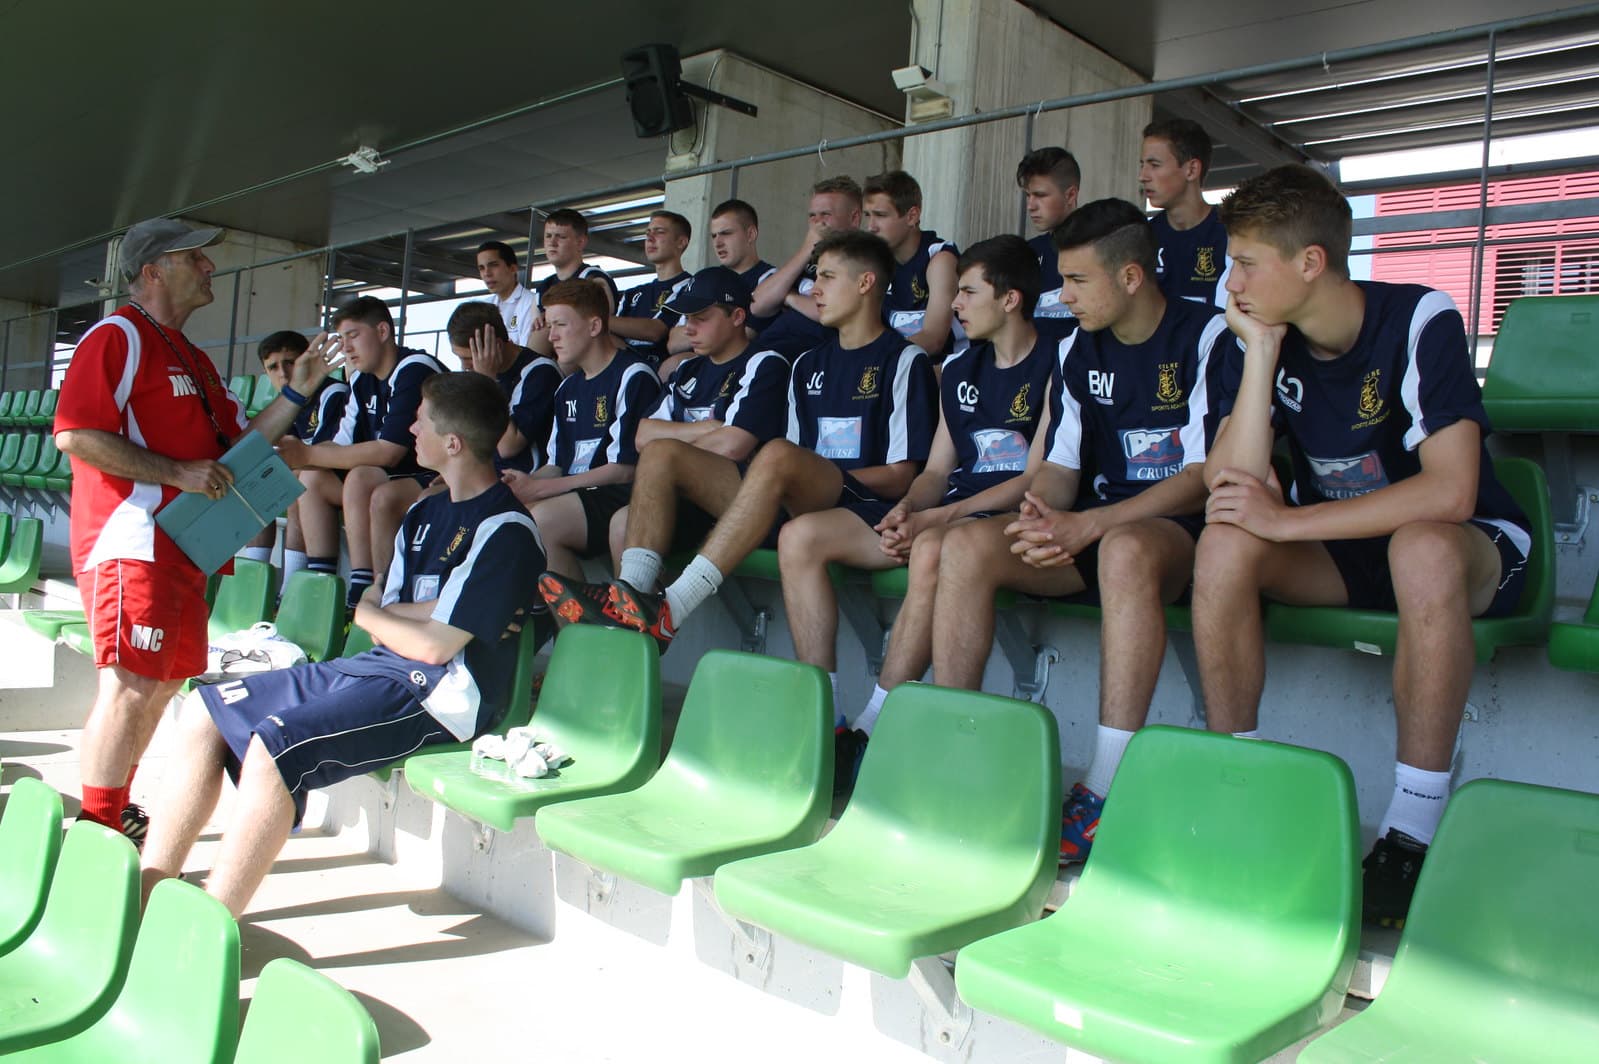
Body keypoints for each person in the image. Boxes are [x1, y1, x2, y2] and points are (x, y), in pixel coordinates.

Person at [1194, 164, 1531, 926]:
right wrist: (1259, 355)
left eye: (1245, 263)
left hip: (1466, 549)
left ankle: (1411, 830)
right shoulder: (1253, 334)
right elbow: (1228, 485)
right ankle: (1237, 784)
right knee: (1221, 545)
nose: (1230, 283)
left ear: (1310, 262)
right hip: (1346, 550)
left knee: (1420, 548)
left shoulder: (1417, 317)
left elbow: (1450, 492)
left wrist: (1286, 523)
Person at [139, 372, 550, 915]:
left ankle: (212, 922)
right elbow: (382, 609)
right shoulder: (423, 513)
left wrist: (389, 615)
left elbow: (432, 646)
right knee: (204, 711)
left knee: (274, 745)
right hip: (380, 664)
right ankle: (149, 889)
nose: (410, 430)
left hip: (442, 695)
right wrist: (417, 613)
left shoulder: (506, 528)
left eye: (420, 422)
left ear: (453, 443)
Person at [925, 200, 1231, 862]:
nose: (1062, 296)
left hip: (1176, 536)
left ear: (1130, 277)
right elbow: (1061, 469)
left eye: (1076, 281)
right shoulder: (1073, 348)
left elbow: (1205, 476)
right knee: (967, 544)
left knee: (1124, 549)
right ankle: (953, 753)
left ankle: (1108, 785)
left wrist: (1090, 523)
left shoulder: (1205, 335)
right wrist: (1040, 513)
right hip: (1090, 529)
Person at [54, 217, 337, 845]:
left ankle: (113, 812)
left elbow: (239, 446)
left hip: (187, 548)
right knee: (130, 686)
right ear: (153, 271)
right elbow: (76, 434)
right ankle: (95, 830)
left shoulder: (191, 356)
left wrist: (296, 394)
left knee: (158, 686)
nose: (210, 268)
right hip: (131, 541)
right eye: (195, 259)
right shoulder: (116, 336)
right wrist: (176, 471)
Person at [546, 231, 936, 656]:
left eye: (827, 277)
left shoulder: (904, 359)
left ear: (865, 283)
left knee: (777, 456)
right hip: (783, 500)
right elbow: (646, 437)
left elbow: (900, 476)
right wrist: (776, 481)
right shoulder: (807, 365)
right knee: (661, 453)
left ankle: (673, 607)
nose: (815, 290)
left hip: (853, 503)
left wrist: (796, 476)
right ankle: (631, 595)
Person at [786, 235, 1055, 787]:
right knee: (869, 538)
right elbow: (934, 473)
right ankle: (848, 724)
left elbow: (1035, 479)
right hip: (952, 519)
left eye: (967, 292)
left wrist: (938, 518)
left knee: (939, 542)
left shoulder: (1057, 361)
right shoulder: (958, 367)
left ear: (1010, 299)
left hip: (1012, 521)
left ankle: (887, 724)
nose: (953, 304)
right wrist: (908, 510)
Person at [537, 266, 790, 623]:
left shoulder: (764, 363)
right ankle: (633, 615)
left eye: (701, 318)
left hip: (744, 503)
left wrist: (675, 440)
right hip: (684, 500)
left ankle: (626, 605)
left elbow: (734, 444)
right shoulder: (687, 370)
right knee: (621, 521)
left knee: (663, 453)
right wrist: (708, 429)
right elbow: (642, 436)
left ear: (737, 317)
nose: (689, 328)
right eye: (687, 318)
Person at [277, 297, 445, 610]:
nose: (346, 348)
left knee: (361, 477)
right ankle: (320, 586)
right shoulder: (361, 380)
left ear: (382, 331)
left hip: (433, 477)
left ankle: (363, 587)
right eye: (342, 339)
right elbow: (338, 444)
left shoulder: (414, 368)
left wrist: (306, 454)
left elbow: (389, 452)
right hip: (385, 480)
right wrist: (299, 459)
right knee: (311, 478)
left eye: (353, 336)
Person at [502, 280, 661, 579]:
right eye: (550, 326)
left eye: (561, 325)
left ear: (594, 326)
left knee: (541, 520)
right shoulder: (567, 388)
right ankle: (570, 607)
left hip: (622, 496)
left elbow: (624, 471)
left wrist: (541, 489)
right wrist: (520, 484)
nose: (552, 336)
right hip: (579, 495)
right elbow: (557, 465)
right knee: (506, 514)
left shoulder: (633, 375)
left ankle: (585, 607)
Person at [240, 331, 350, 588]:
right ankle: (252, 583)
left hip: (341, 477)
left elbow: (328, 454)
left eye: (290, 362)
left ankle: (291, 586)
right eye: (273, 367)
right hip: (312, 477)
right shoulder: (286, 404)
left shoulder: (333, 393)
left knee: (293, 481)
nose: (283, 373)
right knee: (258, 478)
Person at [750, 176, 863, 359]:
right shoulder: (806, 257)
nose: (817, 222)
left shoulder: (863, 259)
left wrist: (789, 298)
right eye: (812, 216)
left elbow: (837, 312)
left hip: (809, 356)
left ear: (854, 218)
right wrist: (807, 248)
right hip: (765, 350)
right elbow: (757, 305)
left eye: (826, 214)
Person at [445, 301, 561, 473]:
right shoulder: (477, 377)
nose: (464, 367)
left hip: (522, 476)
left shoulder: (540, 373)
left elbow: (507, 447)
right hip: (482, 474)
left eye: (469, 358)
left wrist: (488, 383)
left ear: (496, 346)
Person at [662, 198, 776, 369]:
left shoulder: (772, 279)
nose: (718, 242)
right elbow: (673, 342)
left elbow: (743, 335)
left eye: (726, 233)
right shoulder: (705, 279)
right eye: (714, 236)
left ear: (751, 234)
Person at [862, 170, 959, 358]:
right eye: (867, 215)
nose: (870, 226)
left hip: (943, 369)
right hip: (897, 366)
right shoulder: (873, 261)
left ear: (912, 216)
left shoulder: (939, 258)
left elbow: (933, 339)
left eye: (880, 215)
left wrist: (878, 359)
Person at [1140, 118, 1230, 307]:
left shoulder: (1233, 234)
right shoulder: (1142, 238)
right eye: (1142, 165)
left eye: (1154, 165)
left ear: (1191, 170)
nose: (1143, 176)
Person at [527, 208, 620, 357]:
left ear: (580, 242)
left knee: (545, 331)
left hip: (590, 353)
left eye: (561, 237)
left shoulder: (594, 278)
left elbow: (597, 325)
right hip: (556, 356)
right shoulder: (543, 287)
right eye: (548, 236)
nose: (552, 243)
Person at [612, 210, 692, 366]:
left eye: (659, 232)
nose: (650, 238)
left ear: (681, 242)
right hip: (626, 369)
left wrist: (596, 319)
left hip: (663, 371)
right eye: (647, 233)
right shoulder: (632, 294)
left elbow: (655, 331)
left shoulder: (692, 287)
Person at [1015, 147, 1082, 327]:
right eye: (1028, 195)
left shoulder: (1102, 248)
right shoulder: (1027, 253)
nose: (1030, 206)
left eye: (1040, 195)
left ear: (1070, 195)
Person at [477, 240, 536, 347]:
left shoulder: (531, 303)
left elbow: (527, 351)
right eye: (481, 268)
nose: (486, 273)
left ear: (513, 268)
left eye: (493, 265)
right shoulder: (484, 307)